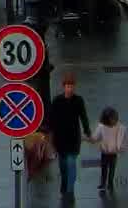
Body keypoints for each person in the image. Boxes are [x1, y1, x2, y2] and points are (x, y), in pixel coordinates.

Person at [46, 71, 93, 200]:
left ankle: (70, 190)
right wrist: (49, 135)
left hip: (73, 138)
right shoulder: (57, 101)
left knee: (71, 163)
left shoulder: (79, 100)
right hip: (60, 139)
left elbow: (83, 117)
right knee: (63, 166)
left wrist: (87, 131)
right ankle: (64, 184)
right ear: (64, 87)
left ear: (74, 87)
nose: (70, 89)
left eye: (72, 86)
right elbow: (51, 119)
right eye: (67, 86)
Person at [91, 106, 123, 192]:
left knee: (107, 168)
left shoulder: (103, 126)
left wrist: (87, 138)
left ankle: (105, 183)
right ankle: (108, 184)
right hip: (110, 152)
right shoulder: (115, 126)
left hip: (108, 152)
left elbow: (95, 138)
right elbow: (120, 138)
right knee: (109, 168)